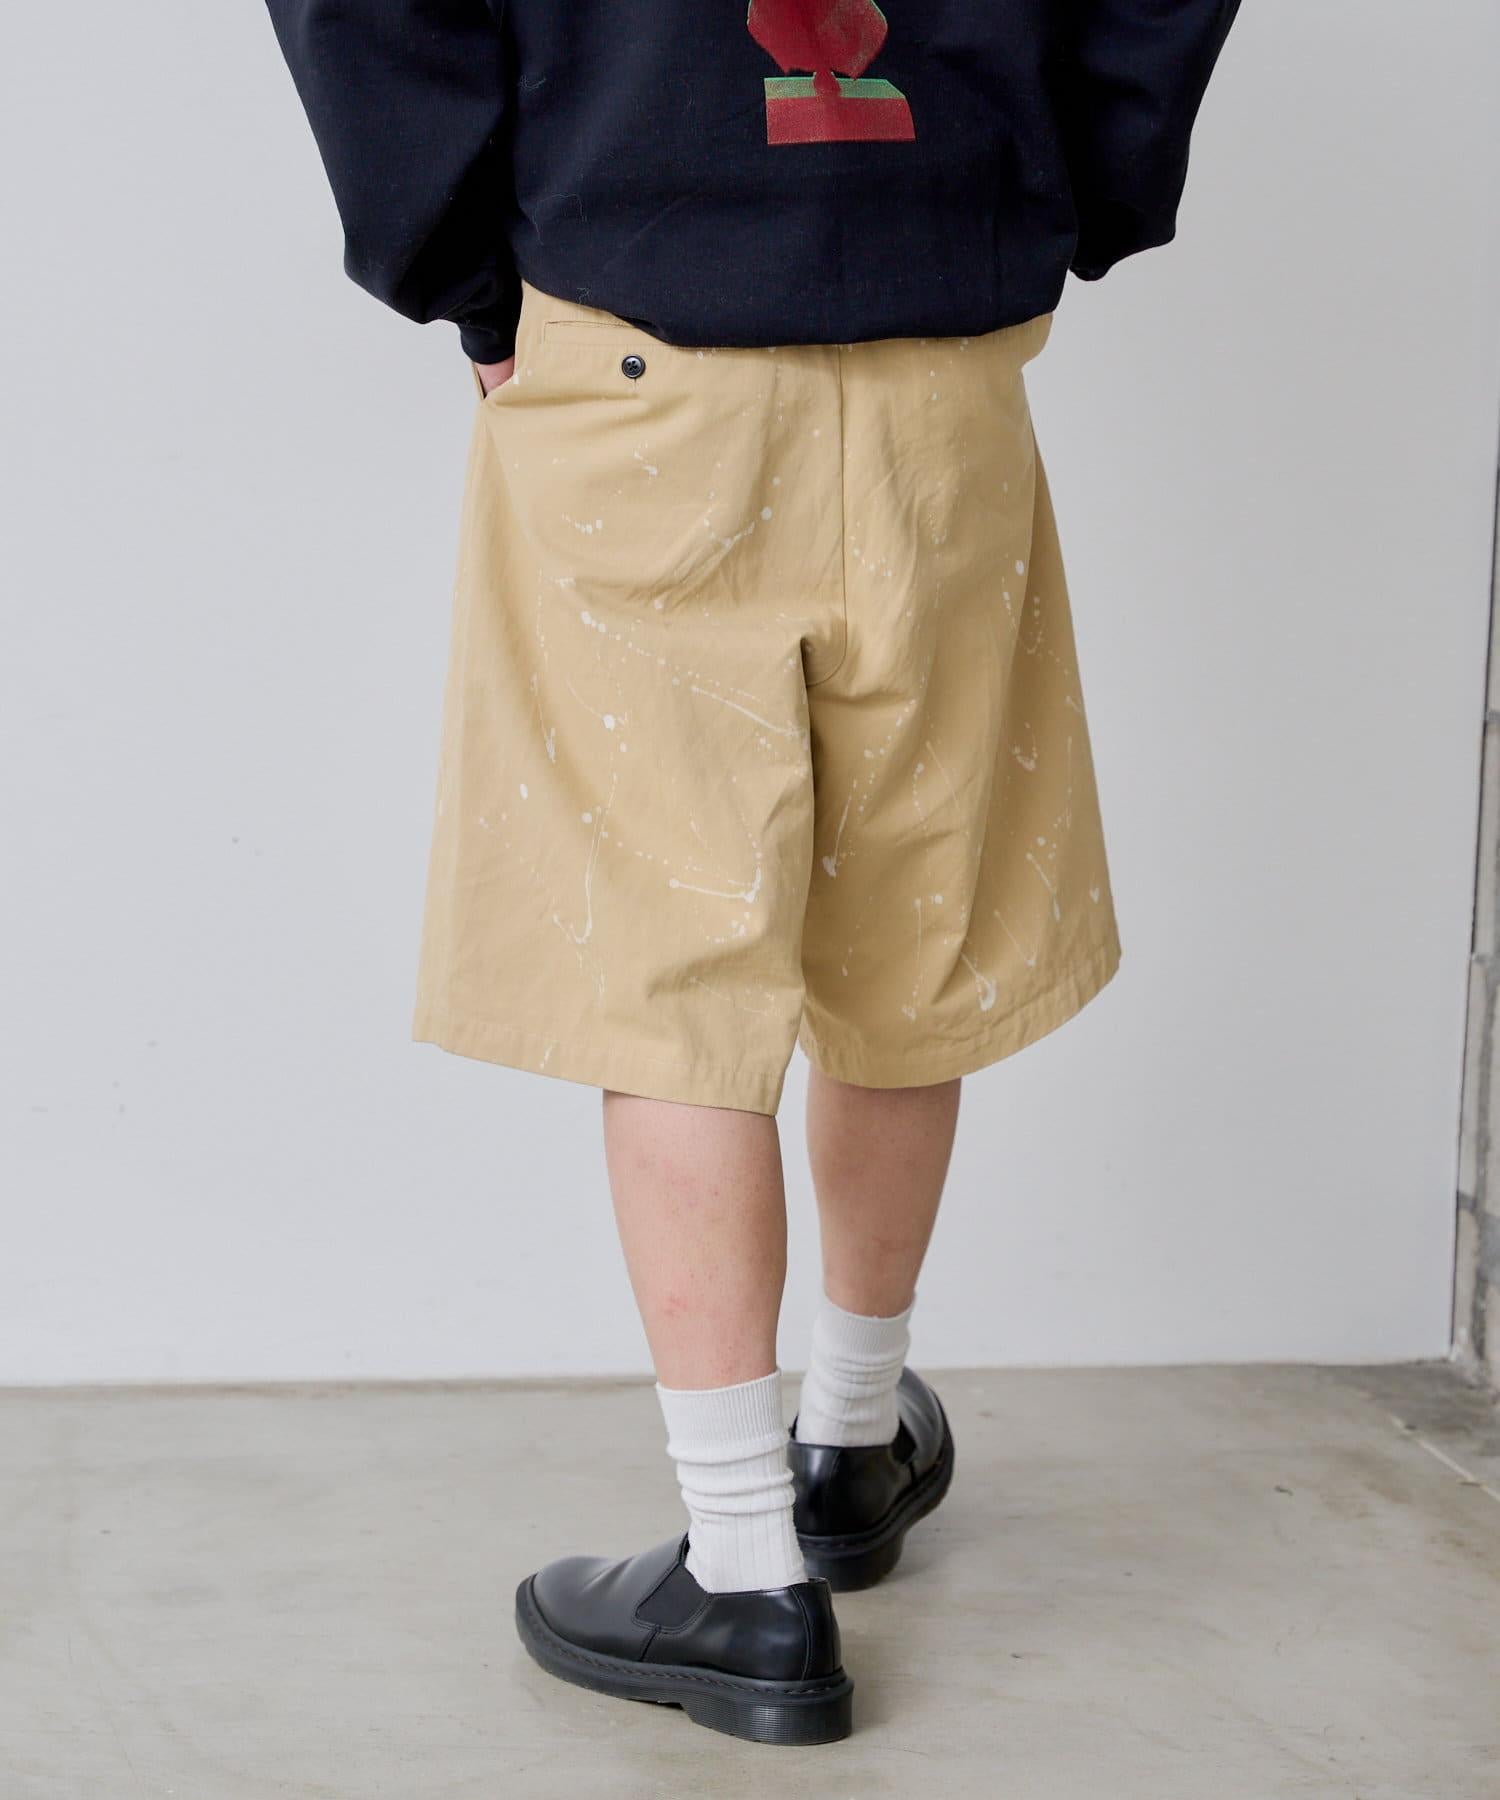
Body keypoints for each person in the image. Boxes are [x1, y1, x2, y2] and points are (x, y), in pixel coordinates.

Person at [265, 0, 1239, 1747]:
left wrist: (468, 271)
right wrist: (1055, 180)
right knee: (910, 920)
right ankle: (849, 1440)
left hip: (640, 334)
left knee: (673, 961)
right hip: (942, 350)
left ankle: (742, 1560)